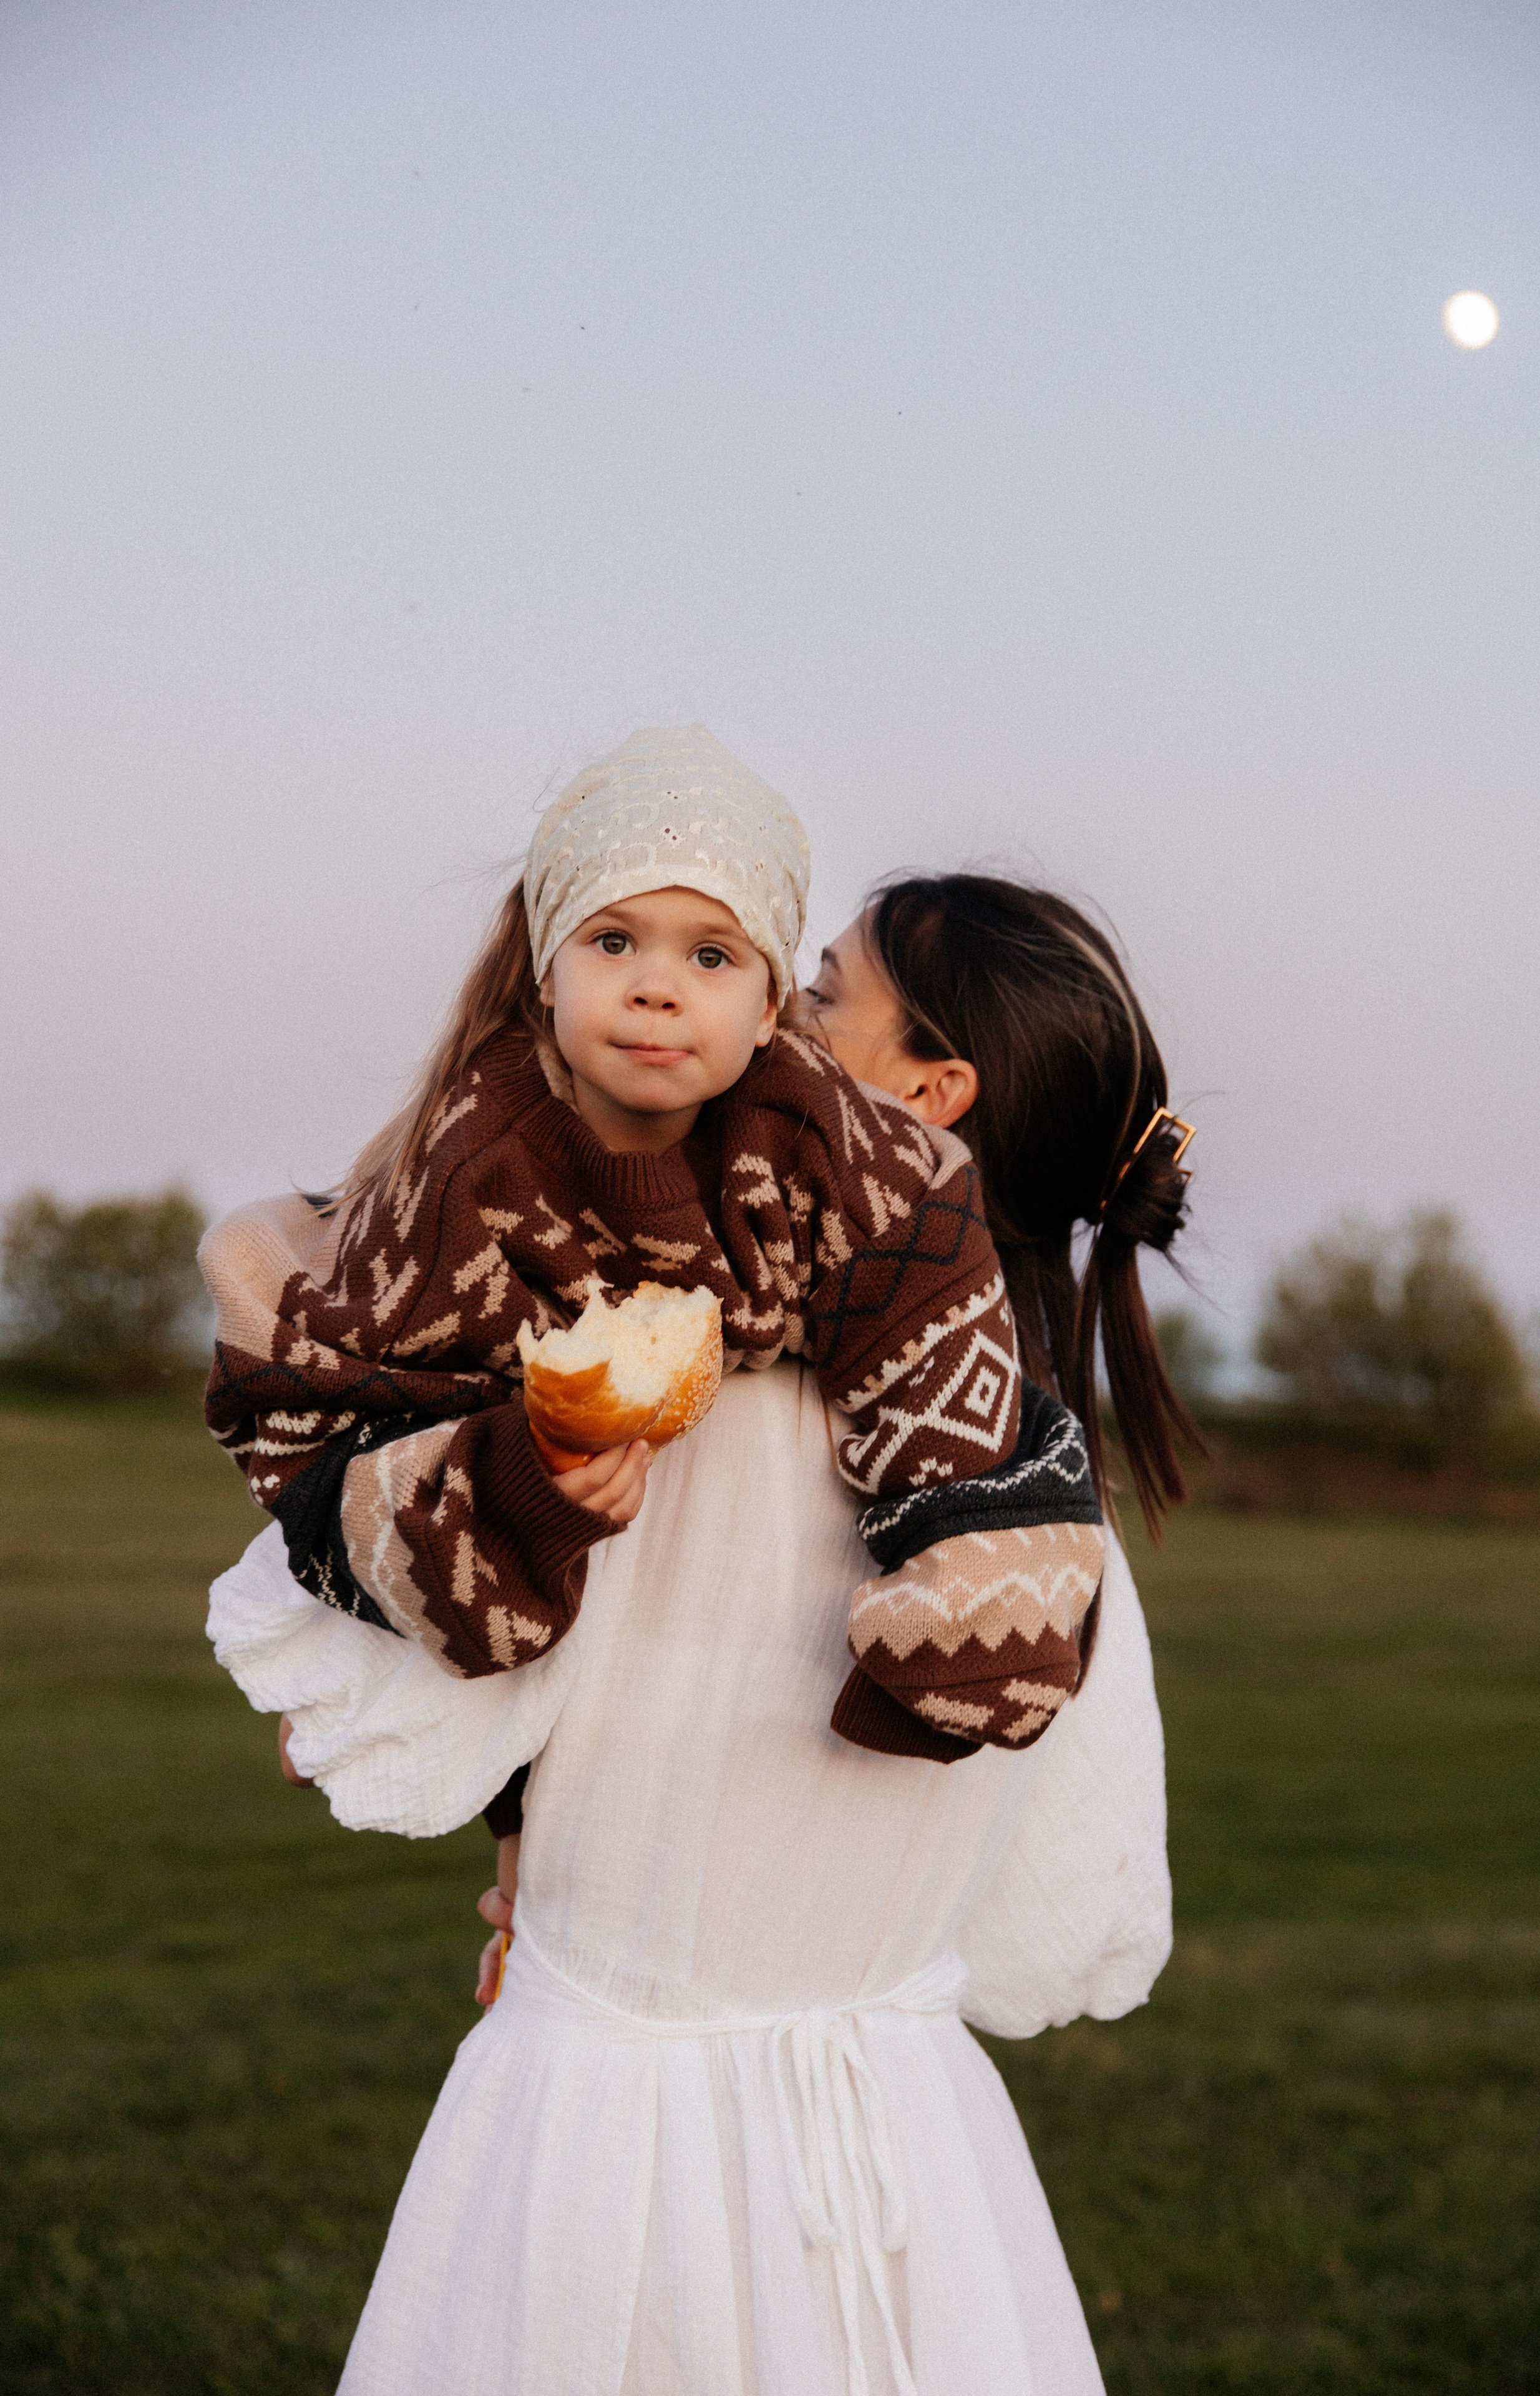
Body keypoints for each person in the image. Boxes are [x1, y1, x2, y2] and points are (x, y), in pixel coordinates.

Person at [207, 861, 1196, 2396]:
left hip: (610, 2154)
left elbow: (355, 1741)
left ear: (926, 1094)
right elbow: (1050, 1929)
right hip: (907, 2168)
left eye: (817, 992)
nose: (773, 1023)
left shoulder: (653, 1406)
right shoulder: (1040, 1503)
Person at [201, 726, 1104, 1759]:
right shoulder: (474, 1171)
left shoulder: (839, 1145)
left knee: (990, 1440)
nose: (655, 986)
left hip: (748, 1672)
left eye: (711, 956)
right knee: (425, 1618)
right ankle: (455, 1769)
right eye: (614, 941)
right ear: (546, 970)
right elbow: (375, 1396)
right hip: (493, 1459)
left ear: (771, 1008)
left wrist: (963, 1616)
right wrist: (524, 1480)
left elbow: (936, 1313)